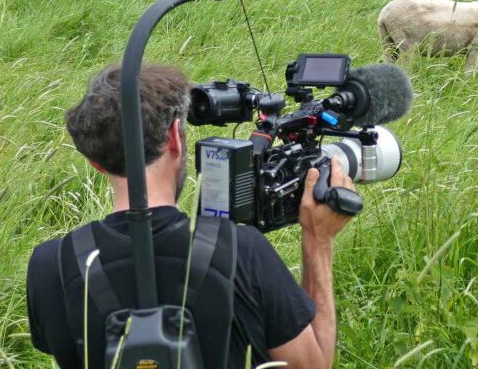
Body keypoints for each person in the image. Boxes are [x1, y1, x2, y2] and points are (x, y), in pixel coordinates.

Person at [26, 63, 354, 368]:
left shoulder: (49, 265)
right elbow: (312, 364)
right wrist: (318, 241)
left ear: (96, 161)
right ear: (174, 137)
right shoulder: (244, 252)